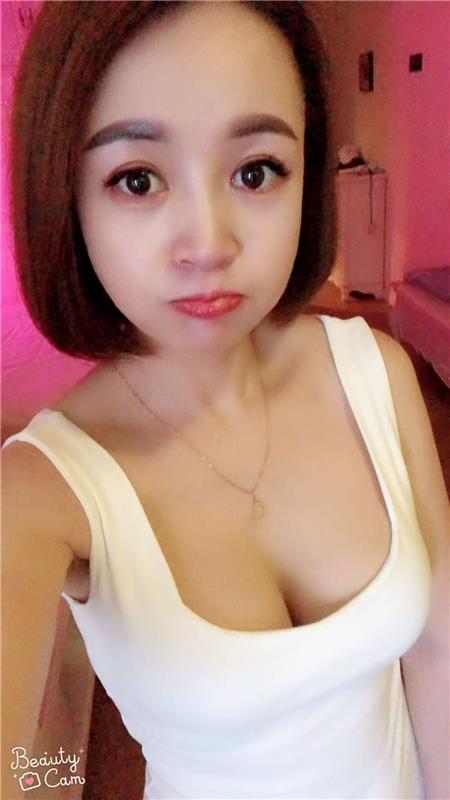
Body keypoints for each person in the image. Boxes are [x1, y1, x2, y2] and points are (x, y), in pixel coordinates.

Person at [2, 2, 448, 799]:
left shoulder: (375, 372)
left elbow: (441, 650)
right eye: (137, 179)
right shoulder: (41, 493)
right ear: (65, 198)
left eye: (255, 171)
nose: (209, 243)